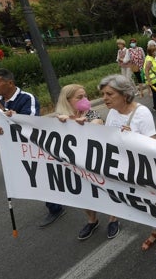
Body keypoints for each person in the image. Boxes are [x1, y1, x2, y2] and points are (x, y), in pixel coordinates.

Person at [98, 75, 156, 254]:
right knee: (144, 204)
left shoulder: (141, 112)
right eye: (103, 94)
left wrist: (134, 139)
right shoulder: (112, 112)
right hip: (126, 169)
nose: (105, 98)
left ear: (124, 94)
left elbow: (153, 144)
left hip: (146, 169)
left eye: (109, 94)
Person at [0, 68, 65, 227]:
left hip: (32, 146)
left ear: (10, 83)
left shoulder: (27, 98)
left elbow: (28, 122)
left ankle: (55, 207)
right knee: (34, 176)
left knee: (42, 175)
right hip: (15, 147)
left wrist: (2, 110)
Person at [54, 84, 103, 239]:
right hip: (75, 165)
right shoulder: (60, 119)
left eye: (86, 96)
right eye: (80, 97)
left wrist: (84, 125)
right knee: (83, 193)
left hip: (96, 162)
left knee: (106, 191)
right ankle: (92, 220)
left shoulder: (91, 114)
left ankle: (113, 219)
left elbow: (98, 123)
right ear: (67, 100)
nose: (85, 100)